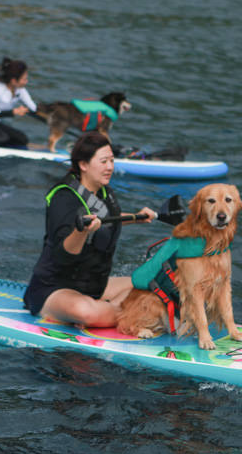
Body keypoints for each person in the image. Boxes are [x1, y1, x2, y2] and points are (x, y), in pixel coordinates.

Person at [23, 131, 157, 326]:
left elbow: (107, 220)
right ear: (83, 164)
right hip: (55, 290)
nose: (110, 167)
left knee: (150, 283)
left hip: (94, 286)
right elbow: (63, 254)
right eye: (103, 162)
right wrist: (82, 231)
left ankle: (113, 310)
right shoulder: (63, 198)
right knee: (87, 312)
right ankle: (127, 313)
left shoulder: (104, 192)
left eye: (112, 160)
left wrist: (136, 217)